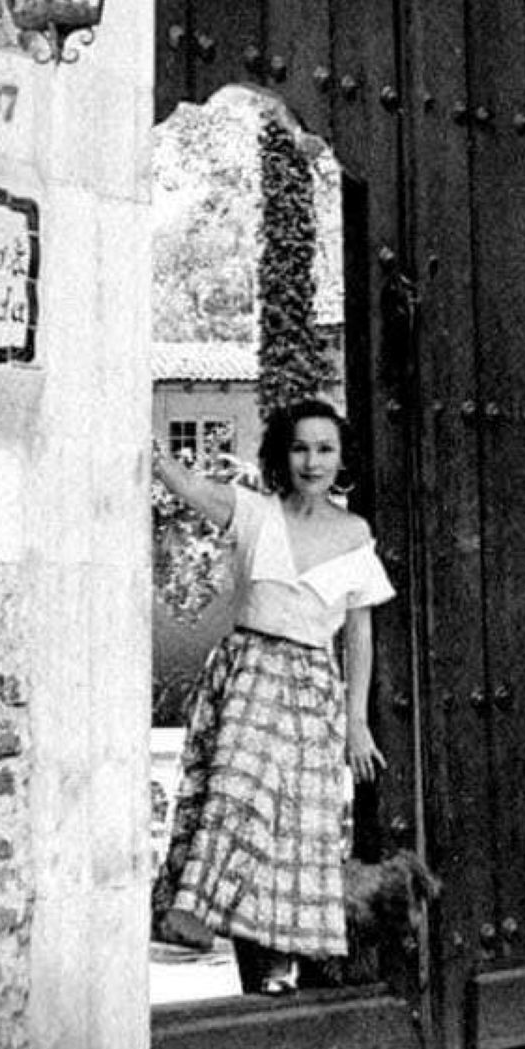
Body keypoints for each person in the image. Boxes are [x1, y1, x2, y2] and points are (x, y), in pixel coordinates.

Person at [151, 398, 393, 996]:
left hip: (314, 688)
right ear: (283, 454)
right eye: (301, 447)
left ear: (342, 458)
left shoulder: (356, 533)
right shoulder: (255, 513)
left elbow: (359, 634)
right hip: (251, 676)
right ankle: (209, 928)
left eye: (325, 448)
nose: (313, 461)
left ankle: (282, 977)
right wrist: (148, 446)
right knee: (236, 801)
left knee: (295, 833)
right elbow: (179, 481)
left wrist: (356, 723)